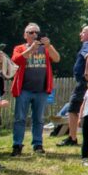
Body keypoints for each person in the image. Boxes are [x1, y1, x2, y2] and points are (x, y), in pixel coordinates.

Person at [10, 23, 60, 155]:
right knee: (20, 118)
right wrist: (31, 49)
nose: (34, 35)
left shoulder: (47, 48)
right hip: (23, 90)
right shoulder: (20, 48)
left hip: (41, 90)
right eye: (30, 32)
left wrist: (48, 45)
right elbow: (15, 60)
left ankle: (38, 144)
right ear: (25, 35)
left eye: (36, 32)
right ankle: (17, 145)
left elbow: (57, 58)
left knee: (39, 119)